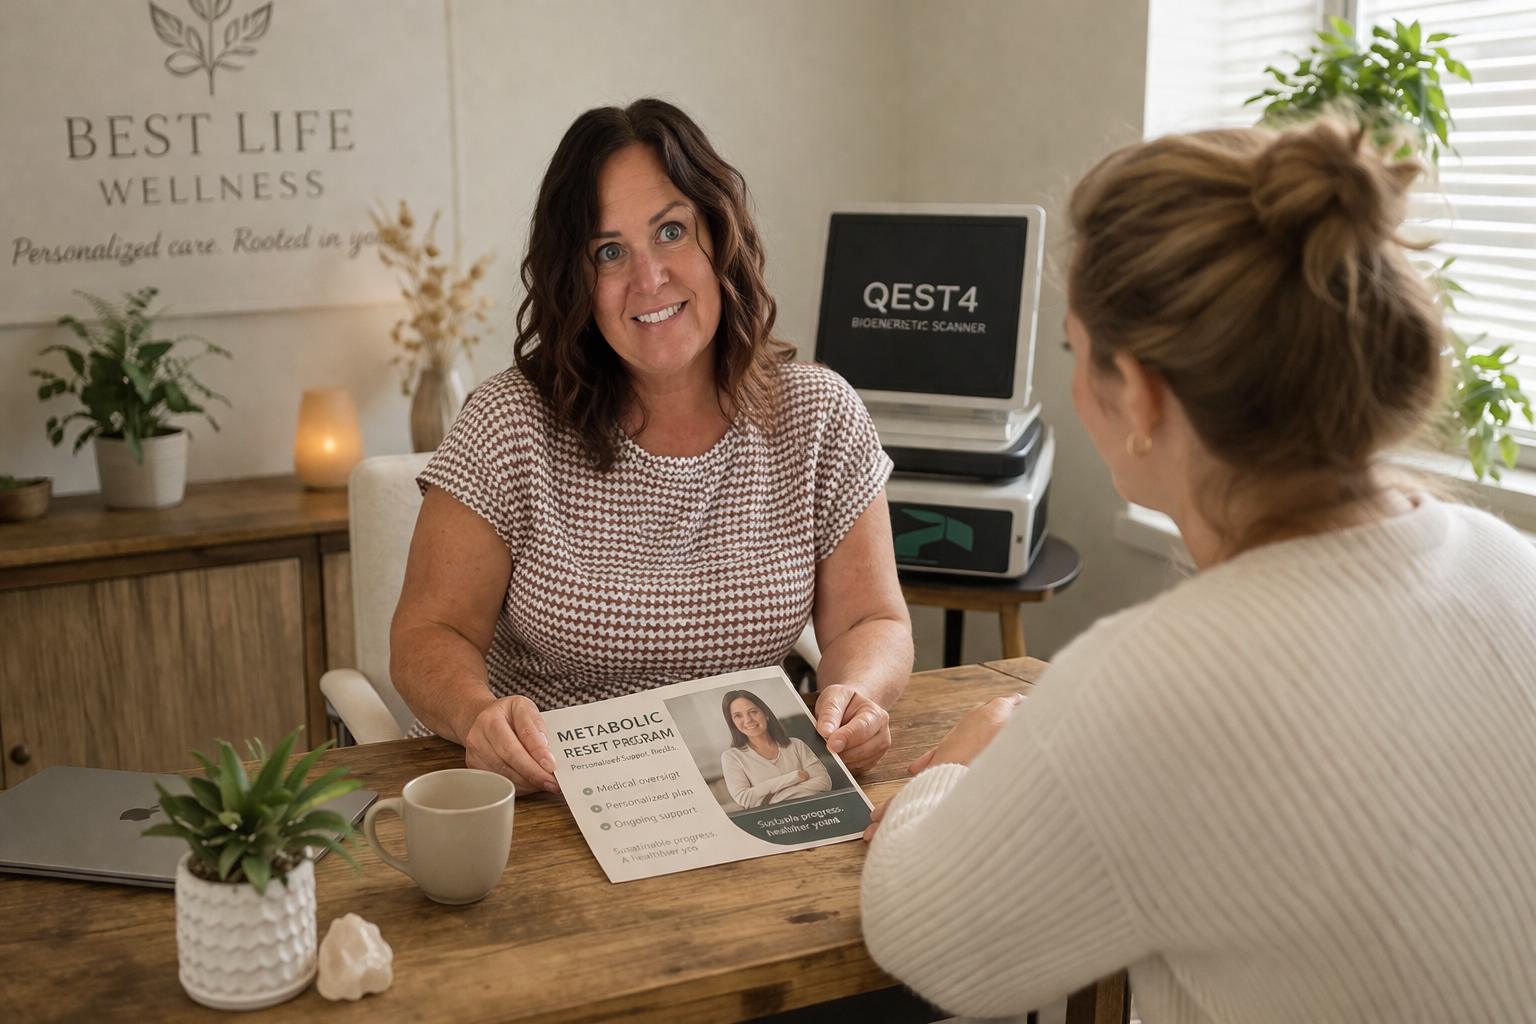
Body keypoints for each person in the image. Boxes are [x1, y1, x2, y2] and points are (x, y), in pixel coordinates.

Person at [860, 118, 1536, 1023]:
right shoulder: (1506, 560)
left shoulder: (1159, 682)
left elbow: (923, 936)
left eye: (1074, 350)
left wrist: (945, 770)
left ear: (1137, 393)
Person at [389, 99, 912, 797]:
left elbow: (871, 619)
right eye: (610, 251)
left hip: (751, 790)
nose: (649, 277)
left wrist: (855, 696)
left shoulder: (818, 415)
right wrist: (479, 715)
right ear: (577, 280)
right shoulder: (508, 422)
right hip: (555, 796)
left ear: (719, 239)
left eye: (671, 232)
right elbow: (430, 631)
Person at [718, 689, 833, 808]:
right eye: (738, 716)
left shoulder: (796, 745)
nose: (748, 720)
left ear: (766, 714)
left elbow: (824, 782)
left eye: (752, 712)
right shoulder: (731, 757)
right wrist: (794, 777)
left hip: (817, 810)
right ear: (732, 723)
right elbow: (745, 799)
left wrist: (773, 799)